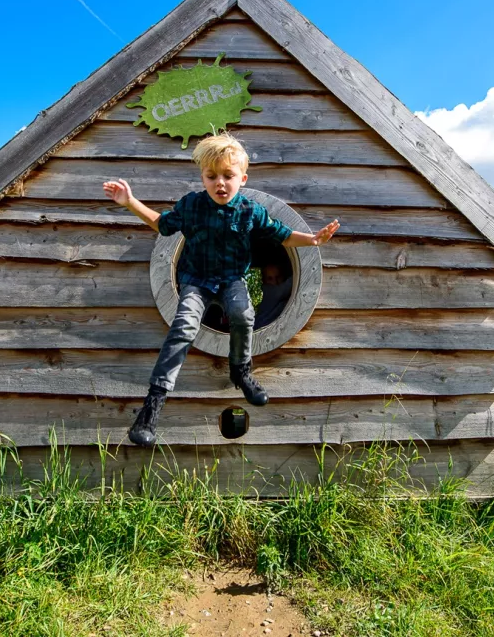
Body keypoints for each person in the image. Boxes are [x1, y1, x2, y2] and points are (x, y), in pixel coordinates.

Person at [102, 132, 339, 447]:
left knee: (243, 314)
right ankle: (152, 407)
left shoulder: (251, 212)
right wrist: (129, 201)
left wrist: (311, 240)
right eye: (211, 177)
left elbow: (281, 235)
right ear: (203, 177)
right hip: (195, 280)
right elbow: (162, 224)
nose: (220, 183)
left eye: (228, 176)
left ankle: (241, 372)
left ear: (242, 178)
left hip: (231, 279)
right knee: (184, 326)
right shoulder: (193, 206)